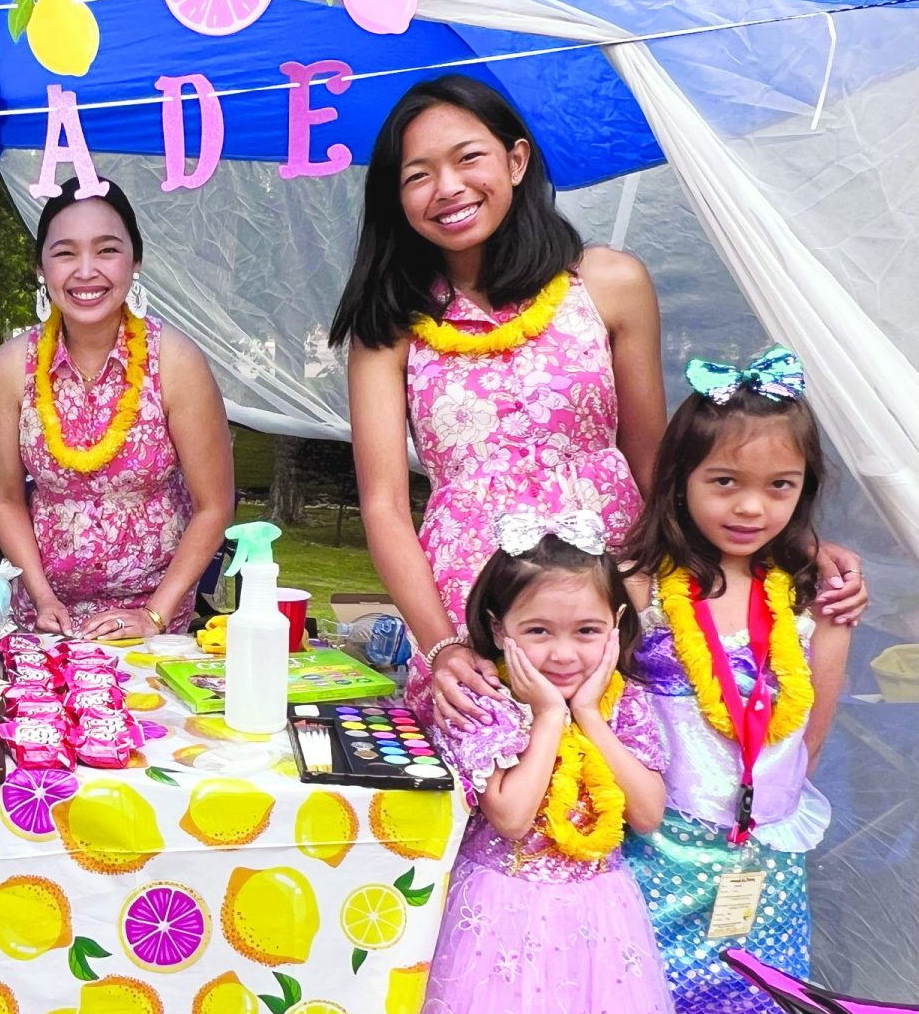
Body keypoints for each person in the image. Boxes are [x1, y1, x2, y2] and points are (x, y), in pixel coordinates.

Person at [331, 74, 865, 730]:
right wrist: (441, 645)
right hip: (474, 604)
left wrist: (796, 544)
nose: (448, 187)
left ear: (516, 160)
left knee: (628, 785)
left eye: (468, 157)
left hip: (616, 589)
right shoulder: (390, 324)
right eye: (418, 174)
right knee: (498, 798)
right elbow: (384, 503)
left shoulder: (609, 282)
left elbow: (659, 460)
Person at [346, 515, 699, 1014]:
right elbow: (510, 813)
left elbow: (649, 812)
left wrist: (591, 719)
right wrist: (547, 717)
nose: (564, 653)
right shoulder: (480, 702)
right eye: (538, 631)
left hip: (599, 922)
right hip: (498, 915)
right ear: (498, 629)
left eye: (587, 631)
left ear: (618, 626)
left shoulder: (623, 705)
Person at [618, 348, 854, 1014]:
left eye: (781, 487)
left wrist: (830, 624)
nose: (752, 507)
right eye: (725, 481)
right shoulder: (638, 588)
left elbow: (809, 736)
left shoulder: (802, 592)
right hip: (656, 866)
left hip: (760, 876)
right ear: (679, 480)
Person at [0, 178, 234, 639]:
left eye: (107, 250)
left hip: (151, 621)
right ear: (41, 267)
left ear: (135, 261)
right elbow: (4, 497)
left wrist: (155, 614)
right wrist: (42, 596)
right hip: (43, 619)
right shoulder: (10, 367)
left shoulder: (176, 362)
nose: (85, 271)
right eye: (64, 253)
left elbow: (213, 506)